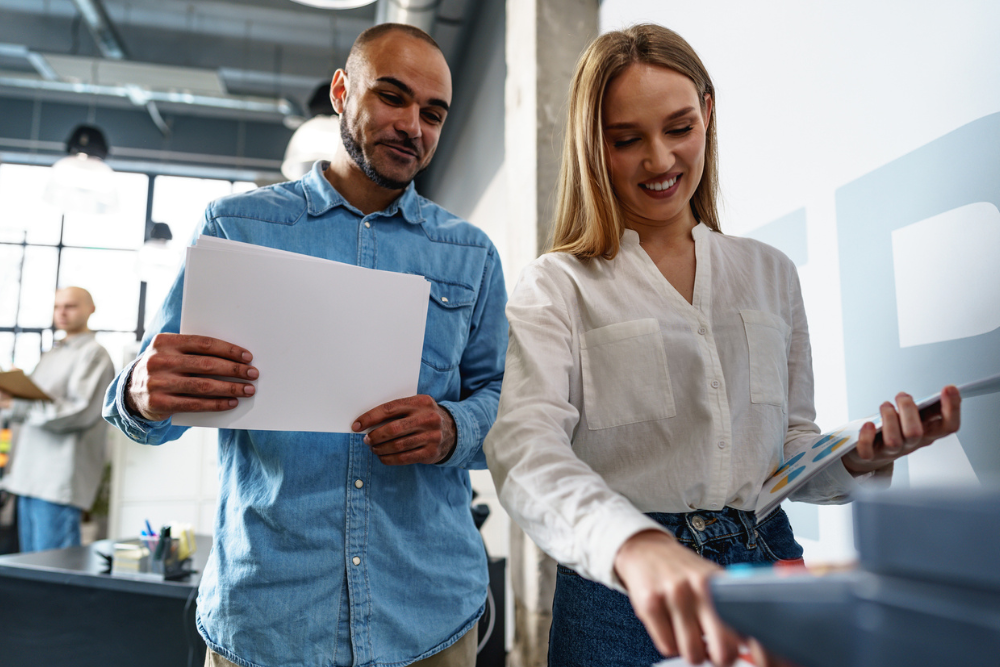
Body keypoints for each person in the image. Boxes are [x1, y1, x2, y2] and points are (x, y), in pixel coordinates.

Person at [483, 24, 962, 667]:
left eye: (679, 128)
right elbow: (524, 449)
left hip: (766, 563)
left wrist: (863, 455)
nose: (659, 161)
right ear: (593, 145)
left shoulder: (770, 272)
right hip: (620, 597)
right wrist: (633, 545)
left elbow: (789, 450)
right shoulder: (560, 285)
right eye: (628, 140)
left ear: (708, 112)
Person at [103, 24, 507, 667]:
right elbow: (147, 412)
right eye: (393, 98)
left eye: (432, 113)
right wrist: (140, 392)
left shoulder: (471, 254)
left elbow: (508, 408)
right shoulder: (239, 226)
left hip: (427, 615)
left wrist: (455, 427)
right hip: (269, 615)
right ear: (343, 92)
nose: (413, 126)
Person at [0, 286, 115, 552]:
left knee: (54, 574)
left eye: (70, 306)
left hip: (56, 482)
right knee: (34, 570)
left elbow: (78, 412)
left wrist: (16, 406)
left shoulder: (94, 354)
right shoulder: (52, 353)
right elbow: (36, 402)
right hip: (29, 478)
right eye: (57, 306)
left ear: (91, 309)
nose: (61, 312)